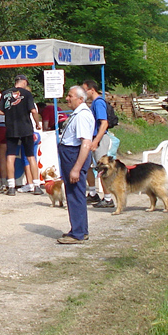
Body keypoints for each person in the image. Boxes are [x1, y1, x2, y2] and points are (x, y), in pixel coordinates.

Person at [56, 86, 95, 244]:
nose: (67, 98)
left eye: (70, 96)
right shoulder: (78, 114)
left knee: (75, 194)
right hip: (70, 155)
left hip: (74, 156)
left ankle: (78, 233)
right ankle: (79, 229)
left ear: (80, 99)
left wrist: (76, 168)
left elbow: (85, 143)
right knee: (73, 193)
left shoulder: (82, 116)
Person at [0, 74, 43, 196]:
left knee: (10, 156)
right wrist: (37, 123)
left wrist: (9, 113)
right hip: (26, 127)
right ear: (23, 82)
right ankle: (36, 185)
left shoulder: (5, 93)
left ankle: (11, 186)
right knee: (31, 156)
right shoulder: (27, 94)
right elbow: (33, 110)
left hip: (11, 128)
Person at [82, 79, 113, 205]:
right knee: (86, 165)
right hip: (93, 138)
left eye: (85, 90)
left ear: (92, 90)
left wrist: (96, 141)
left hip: (99, 138)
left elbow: (104, 123)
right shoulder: (94, 103)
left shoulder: (99, 103)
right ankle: (93, 193)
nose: (84, 93)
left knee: (102, 168)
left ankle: (108, 198)